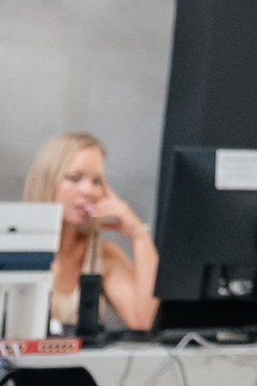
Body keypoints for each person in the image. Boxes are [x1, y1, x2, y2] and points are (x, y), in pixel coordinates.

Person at [24, 131, 160, 333]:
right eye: (75, 178)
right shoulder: (20, 247)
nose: (89, 191)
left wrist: (139, 234)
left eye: (96, 181)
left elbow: (142, 320)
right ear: (48, 182)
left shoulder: (103, 254)